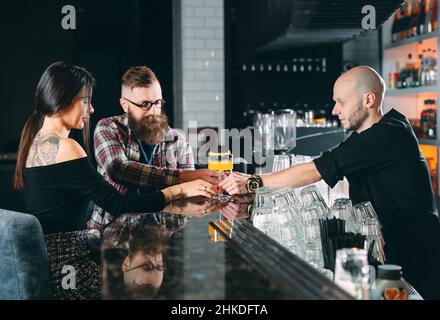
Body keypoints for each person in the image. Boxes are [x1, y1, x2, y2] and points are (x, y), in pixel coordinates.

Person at [220, 66, 440, 299]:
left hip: (417, 258)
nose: (335, 110)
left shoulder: (389, 134)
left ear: (368, 100)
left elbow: (314, 170)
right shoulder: (367, 136)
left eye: (341, 102)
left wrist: (254, 182)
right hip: (393, 253)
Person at [13, 62, 216, 234]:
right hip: (70, 258)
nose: (91, 109)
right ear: (62, 99)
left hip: (57, 255)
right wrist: (180, 187)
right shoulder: (67, 147)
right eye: (85, 101)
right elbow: (118, 205)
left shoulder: (34, 141)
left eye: (157, 102)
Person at [89, 66, 221, 229]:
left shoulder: (178, 140)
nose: (154, 111)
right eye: (145, 104)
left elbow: (189, 199)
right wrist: (184, 177)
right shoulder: (108, 128)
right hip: (111, 233)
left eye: (157, 102)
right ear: (125, 104)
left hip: (161, 235)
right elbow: (119, 170)